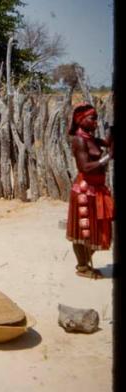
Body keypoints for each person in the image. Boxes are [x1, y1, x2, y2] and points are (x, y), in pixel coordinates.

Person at [66, 102, 114, 279]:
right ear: (80, 120)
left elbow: (107, 143)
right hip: (85, 192)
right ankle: (83, 266)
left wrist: (112, 131)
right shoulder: (79, 140)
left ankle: (85, 264)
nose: (96, 122)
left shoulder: (91, 138)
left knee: (98, 228)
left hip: (97, 189)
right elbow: (85, 167)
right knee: (84, 230)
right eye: (92, 118)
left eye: (96, 119)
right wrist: (107, 158)